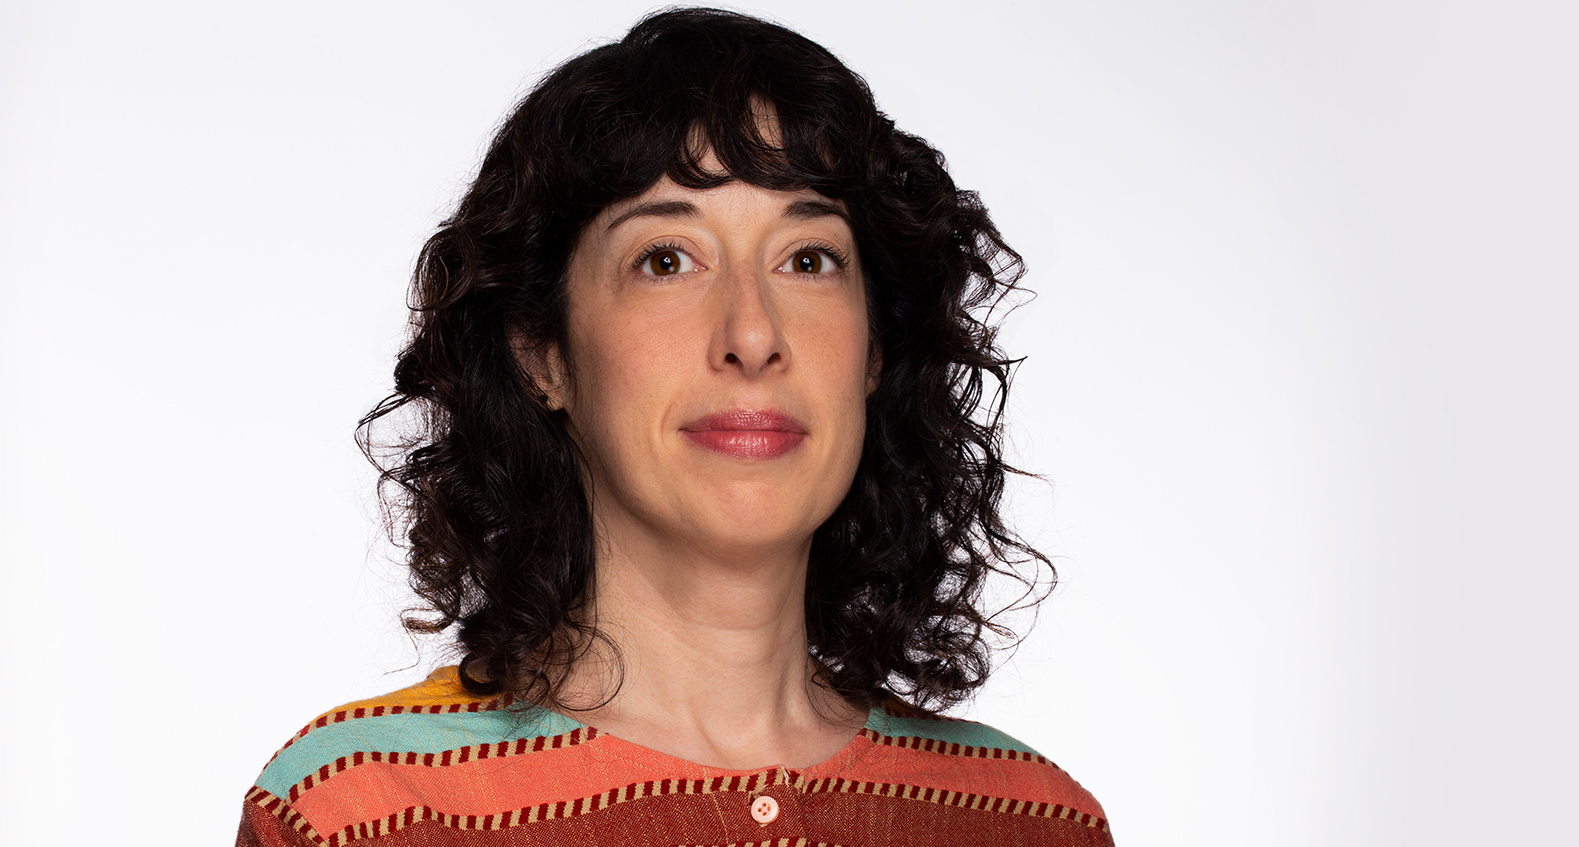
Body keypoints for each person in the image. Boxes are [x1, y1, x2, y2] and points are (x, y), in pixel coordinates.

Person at [236, 9, 1110, 846]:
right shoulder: (359, 813)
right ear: (543, 356)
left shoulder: (1035, 822)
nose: (754, 335)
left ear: (875, 349)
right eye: (665, 260)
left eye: (808, 260)